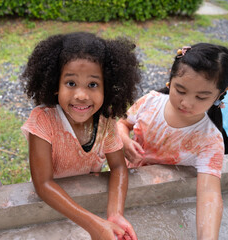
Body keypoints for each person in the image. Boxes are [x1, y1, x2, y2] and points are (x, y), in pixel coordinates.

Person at [21, 32, 141, 240]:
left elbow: (119, 167)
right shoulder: (43, 121)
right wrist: (94, 224)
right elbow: (44, 184)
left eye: (93, 85)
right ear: (55, 85)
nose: (81, 95)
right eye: (71, 83)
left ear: (107, 87)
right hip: (50, 204)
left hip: (83, 196)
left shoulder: (105, 121)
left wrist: (115, 214)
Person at [117, 43, 228, 240]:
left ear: (219, 96)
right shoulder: (150, 102)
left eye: (201, 97)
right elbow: (122, 123)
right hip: (125, 178)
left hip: (160, 195)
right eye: (181, 90)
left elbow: (209, 194)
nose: (186, 103)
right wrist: (125, 140)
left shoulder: (210, 140)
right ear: (171, 79)